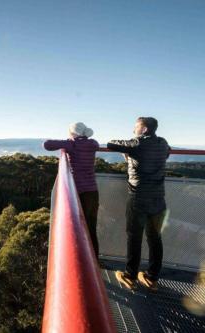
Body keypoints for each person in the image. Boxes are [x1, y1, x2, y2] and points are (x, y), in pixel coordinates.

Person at [107, 117, 170, 291]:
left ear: (144, 129)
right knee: (155, 237)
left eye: (136, 127)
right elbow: (160, 156)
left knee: (134, 236)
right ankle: (152, 277)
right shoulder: (163, 143)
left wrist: (130, 149)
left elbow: (110, 143)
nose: (134, 129)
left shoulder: (137, 143)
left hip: (139, 197)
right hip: (158, 198)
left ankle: (130, 276)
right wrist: (131, 158)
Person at [43, 122, 100, 259]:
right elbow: (94, 144)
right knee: (91, 227)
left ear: (73, 133)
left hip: (77, 192)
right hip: (92, 191)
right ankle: (94, 259)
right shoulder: (93, 143)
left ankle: (78, 258)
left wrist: (68, 141)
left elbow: (47, 144)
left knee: (76, 226)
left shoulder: (72, 144)